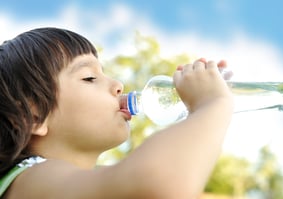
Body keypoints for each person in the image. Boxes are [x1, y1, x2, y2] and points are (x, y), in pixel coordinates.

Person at [0, 27, 234, 199]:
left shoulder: (97, 181)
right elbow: (155, 184)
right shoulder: (30, 181)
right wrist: (212, 104)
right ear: (35, 115)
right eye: (89, 78)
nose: (118, 84)